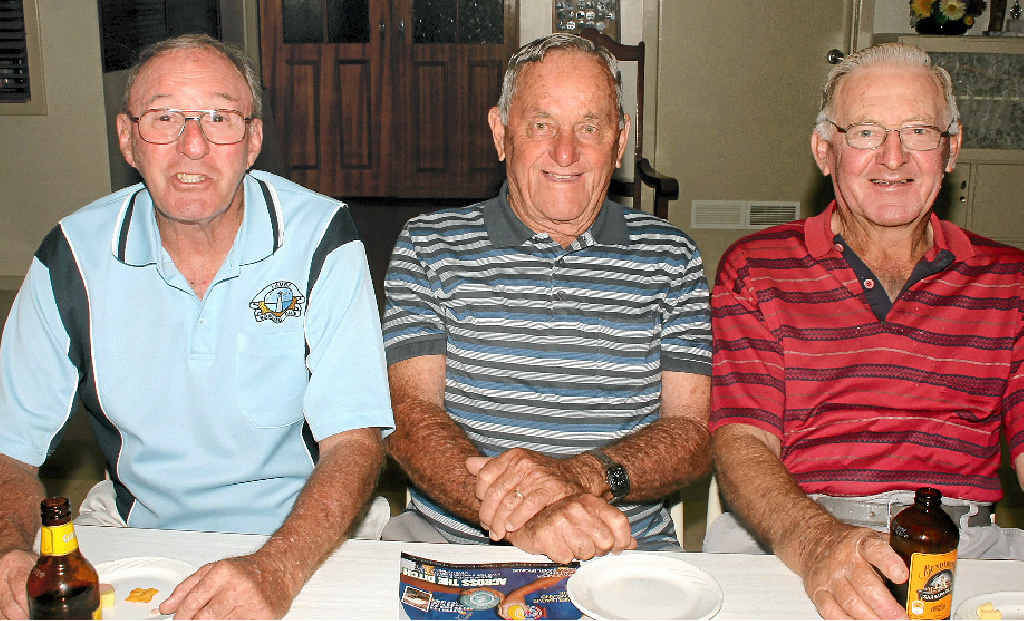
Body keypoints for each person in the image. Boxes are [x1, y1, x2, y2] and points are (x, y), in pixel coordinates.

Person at [0, 34, 393, 619]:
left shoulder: (321, 238)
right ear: (127, 139)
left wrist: (276, 568)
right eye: (164, 118)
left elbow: (355, 440)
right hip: (138, 534)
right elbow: (7, 450)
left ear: (253, 140)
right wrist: (8, 551)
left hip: (301, 537)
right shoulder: (71, 257)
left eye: (218, 118)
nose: (192, 145)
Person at [706, 42, 1023, 619]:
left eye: (918, 131)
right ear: (824, 151)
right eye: (866, 132)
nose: (893, 157)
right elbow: (743, 441)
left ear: (950, 149)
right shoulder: (757, 269)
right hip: (797, 539)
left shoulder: (1011, 280)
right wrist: (818, 543)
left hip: (963, 551)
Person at [379, 33, 712, 563]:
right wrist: (523, 516)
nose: (565, 152)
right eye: (541, 124)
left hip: (620, 546)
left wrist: (579, 478)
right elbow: (409, 417)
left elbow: (691, 434)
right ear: (500, 133)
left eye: (590, 127)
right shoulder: (429, 246)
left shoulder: (671, 258)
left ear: (620, 141)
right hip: (455, 544)